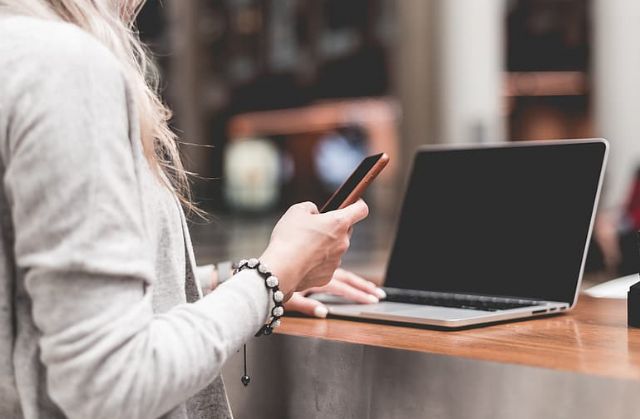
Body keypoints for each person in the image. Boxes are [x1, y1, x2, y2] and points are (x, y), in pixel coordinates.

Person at [0, 1, 385, 418]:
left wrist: (230, 283)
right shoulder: (64, 67)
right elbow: (112, 385)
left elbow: (39, 300)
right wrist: (271, 278)